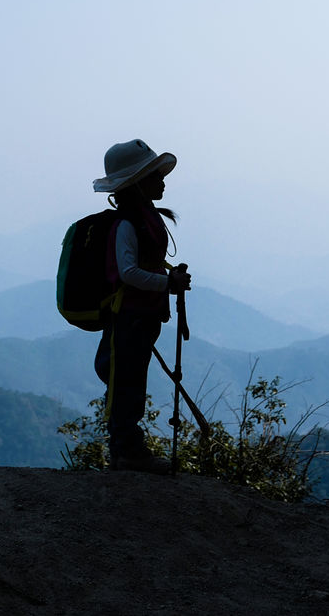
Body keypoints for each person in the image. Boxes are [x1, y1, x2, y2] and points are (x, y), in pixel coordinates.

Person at [92, 139, 191, 474]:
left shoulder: (140, 219)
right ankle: (126, 452)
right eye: (154, 174)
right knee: (127, 383)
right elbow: (129, 273)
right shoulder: (127, 225)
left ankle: (127, 451)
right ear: (136, 183)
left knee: (131, 380)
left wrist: (167, 276)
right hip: (130, 316)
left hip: (142, 316)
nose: (163, 180)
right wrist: (168, 283)